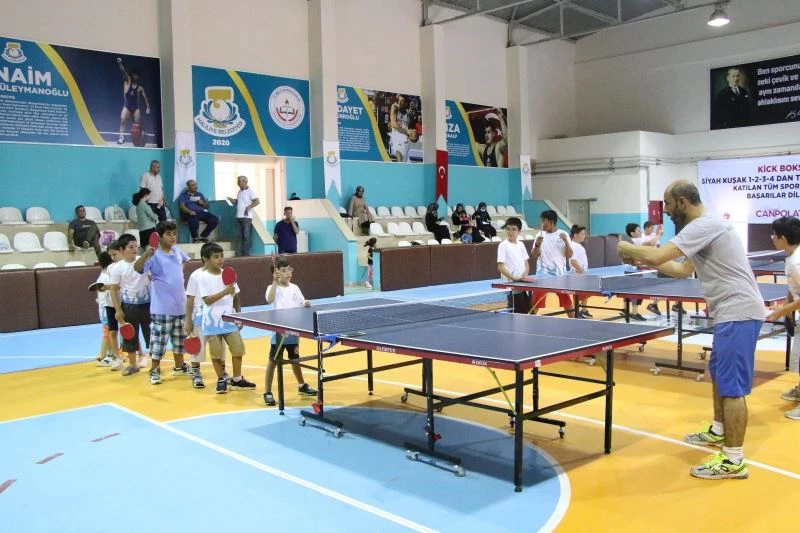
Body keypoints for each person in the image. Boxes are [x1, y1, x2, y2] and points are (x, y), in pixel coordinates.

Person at [618, 179, 764, 480]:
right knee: (719, 374)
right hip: (729, 312)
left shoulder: (703, 225)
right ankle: (719, 429)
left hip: (738, 312)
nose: (666, 211)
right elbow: (682, 270)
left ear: (682, 202)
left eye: (668, 204)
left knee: (732, 388)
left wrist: (625, 246)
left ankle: (733, 460)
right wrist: (641, 259)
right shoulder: (701, 228)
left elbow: (658, 256)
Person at [134, 221, 196, 386]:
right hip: (162, 307)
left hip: (180, 305)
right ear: (159, 237)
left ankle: (179, 366)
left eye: (174, 234)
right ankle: (154, 370)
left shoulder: (177, 251)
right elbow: (137, 268)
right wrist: (146, 254)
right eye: (168, 234)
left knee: (180, 340)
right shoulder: (153, 255)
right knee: (158, 342)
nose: (172, 237)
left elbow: (184, 262)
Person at [195, 242, 255, 394]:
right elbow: (207, 300)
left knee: (238, 350)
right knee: (216, 354)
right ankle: (221, 379)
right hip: (212, 323)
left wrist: (239, 314)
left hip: (229, 321)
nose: (220, 259)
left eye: (222, 256)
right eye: (216, 257)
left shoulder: (228, 274)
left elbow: (236, 296)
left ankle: (237, 379)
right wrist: (225, 291)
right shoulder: (202, 278)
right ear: (206, 259)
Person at [263, 256, 318, 406]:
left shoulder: (295, 288)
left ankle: (302, 385)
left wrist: (305, 303)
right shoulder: (272, 288)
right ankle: (267, 392)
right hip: (279, 332)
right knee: (273, 361)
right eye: (283, 270)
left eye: (289, 270)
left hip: (294, 331)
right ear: (276, 273)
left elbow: (301, 302)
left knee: (295, 359)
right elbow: (269, 299)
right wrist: (274, 282)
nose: (288, 273)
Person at [764, 216, 800, 420]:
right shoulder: (792, 256)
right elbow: (794, 288)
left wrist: (781, 311)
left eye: (774, 235)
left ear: (783, 238)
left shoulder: (797, 262)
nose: (772, 238)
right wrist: (785, 307)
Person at [108, 233, 151, 375]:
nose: (134, 249)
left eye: (136, 246)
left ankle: (155, 365)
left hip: (148, 304)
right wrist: (118, 310)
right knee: (130, 337)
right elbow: (113, 289)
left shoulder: (144, 261)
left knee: (152, 335)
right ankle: (133, 365)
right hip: (129, 306)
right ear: (121, 250)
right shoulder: (117, 268)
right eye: (130, 247)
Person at [530, 210, 574, 318]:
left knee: (566, 299)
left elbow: (569, 255)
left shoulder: (563, 234)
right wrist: (537, 245)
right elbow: (535, 255)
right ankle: (530, 319)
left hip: (559, 274)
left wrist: (566, 242)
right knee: (536, 298)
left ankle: (574, 320)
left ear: (551, 222)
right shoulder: (539, 235)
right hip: (543, 274)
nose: (542, 224)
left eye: (544, 221)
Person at [497, 217, 530, 313]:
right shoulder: (503, 245)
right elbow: (500, 266)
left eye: (514, 229)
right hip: (511, 285)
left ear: (519, 231)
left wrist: (525, 275)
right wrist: (513, 278)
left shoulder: (521, 244)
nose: (510, 232)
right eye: (508, 229)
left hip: (522, 284)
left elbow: (526, 263)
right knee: (517, 311)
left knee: (525, 310)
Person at [116, 57, 150, 145]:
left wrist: (147, 107)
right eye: (133, 74)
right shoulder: (127, 82)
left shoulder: (140, 88)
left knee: (137, 124)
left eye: (136, 75)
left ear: (138, 77)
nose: (134, 76)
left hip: (136, 108)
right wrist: (120, 63)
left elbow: (145, 98)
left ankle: (139, 138)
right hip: (127, 106)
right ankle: (121, 138)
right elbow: (123, 71)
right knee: (122, 120)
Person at [227, 175, 259, 257]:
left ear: (245, 181)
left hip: (247, 217)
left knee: (246, 236)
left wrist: (248, 207)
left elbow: (257, 201)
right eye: (237, 181)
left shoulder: (251, 191)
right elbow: (238, 202)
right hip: (238, 216)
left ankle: (246, 253)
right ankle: (238, 253)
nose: (237, 183)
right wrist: (232, 200)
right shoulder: (240, 191)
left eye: (239, 181)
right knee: (238, 236)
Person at [94, 251, 116, 366]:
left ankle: (110, 355)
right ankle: (103, 357)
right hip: (106, 308)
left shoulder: (102, 275)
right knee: (108, 333)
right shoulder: (107, 276)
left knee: (109, 332)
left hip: (103, 308)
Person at [568, 224, 591, 318]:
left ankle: (584, 310)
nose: (584, 236)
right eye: (582, 234)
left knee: (585, 293)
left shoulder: (578, 245)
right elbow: (572, 261)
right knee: (577, 295)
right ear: (575, 235)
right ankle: (578, 312)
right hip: (577, 274)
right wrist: (581, 272)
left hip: (581, 273)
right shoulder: (573, 246)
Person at [388, 95, 412, 162]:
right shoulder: (395, 107)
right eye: (399, 100)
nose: (400, 102)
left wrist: (410, 133)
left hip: (406, 138)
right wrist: (406, 131)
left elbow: (409, 127)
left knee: (404, 160)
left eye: (402, 101)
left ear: (406, 103)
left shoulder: (408, 112)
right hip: (397, 134)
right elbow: (393, 124)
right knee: (399, 154)